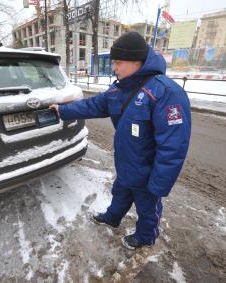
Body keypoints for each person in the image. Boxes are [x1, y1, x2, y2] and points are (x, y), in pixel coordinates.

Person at [50, 31, 191, 250]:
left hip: (147, 171)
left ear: (137, 61)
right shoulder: (119, 89)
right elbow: (92, 105)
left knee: (147, 208)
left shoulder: (166, 93)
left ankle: (145, 236)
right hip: (126, 163)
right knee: (120, 193)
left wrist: (158, 184)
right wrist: (63, 111)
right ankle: (112, 217)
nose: (115, 68)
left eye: (118, 62)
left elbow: (173, 147)